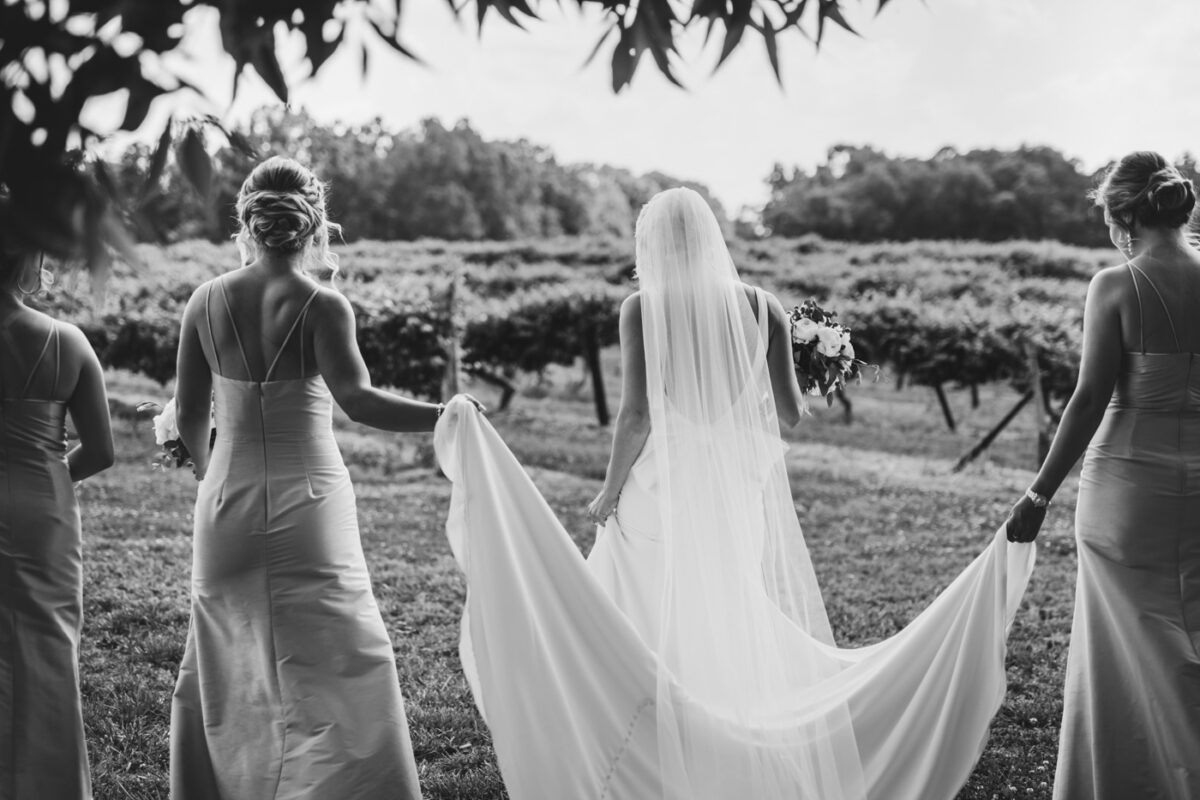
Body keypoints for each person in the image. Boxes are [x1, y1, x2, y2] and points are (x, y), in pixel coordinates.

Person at [433, 187, 1036, 800]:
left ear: (656, 245)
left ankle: (654, 744)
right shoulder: (762, 305)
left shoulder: (641, 308)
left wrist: (609, 492)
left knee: (643, 612)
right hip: (732, 491)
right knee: (726, 606)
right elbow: (791, 415)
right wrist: (788, 377)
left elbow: (636, 416)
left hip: (659, 487)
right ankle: (724, 735)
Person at [169, 156, 479, 799]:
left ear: (247, 222)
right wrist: (446, 415)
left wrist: (206, 469)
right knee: (338, 659)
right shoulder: (322, 305)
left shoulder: (205, 300)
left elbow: (193, 413)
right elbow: (360, 402)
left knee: (230, 655)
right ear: (314, 225)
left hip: (224, 504)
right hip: (308, 506)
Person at [1006, 151, 1200, 799]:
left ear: (1122, 215)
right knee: (1188, 631)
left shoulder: (1114, 285)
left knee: (1122, 644)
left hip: (1125, 487)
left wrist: (1039, 492)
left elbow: (1090, 399)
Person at [0, 204, 115, 800]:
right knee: (46, 643)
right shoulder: (66, 342)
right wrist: (47, 472)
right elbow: (100, 450)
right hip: (44, 503)